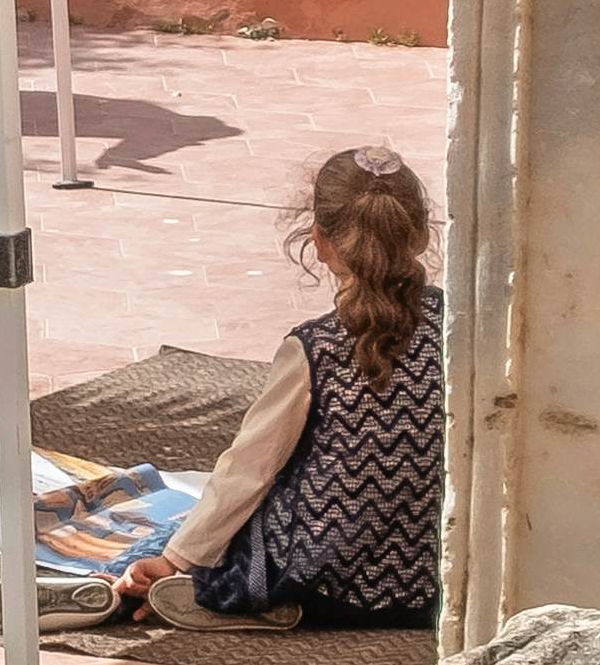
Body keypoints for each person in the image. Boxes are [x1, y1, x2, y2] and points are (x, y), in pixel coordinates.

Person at [97, 148, 444, 628]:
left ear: (320, 241)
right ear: (422, 234)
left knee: (171, 534)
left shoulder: (314, 347)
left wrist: (176, 558)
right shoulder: (459, 327)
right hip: (428, 583)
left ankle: (124, 588)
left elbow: (250, 469)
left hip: (321, 580)